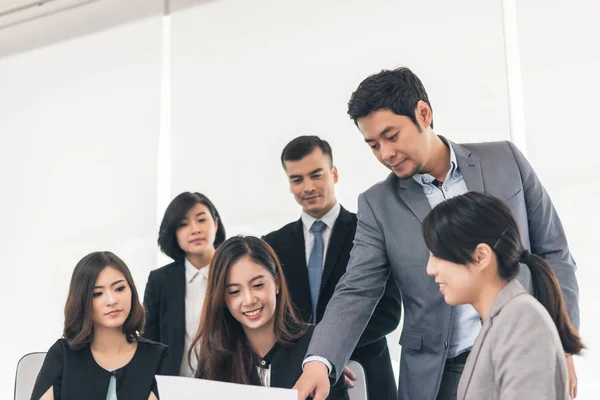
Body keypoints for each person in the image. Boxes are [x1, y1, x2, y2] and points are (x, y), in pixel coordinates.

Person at [294, 67, 580, 400]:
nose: (385, 154)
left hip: (521, 349)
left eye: (391, 136)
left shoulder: (506, 160)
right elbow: (357, 290)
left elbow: (554, 252)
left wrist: (563, 343)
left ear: (423, 114)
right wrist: (318, 361)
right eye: (372, 145)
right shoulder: (377, 205)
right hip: (439, 373)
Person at [263, 135, 401, 399]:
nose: (307, 187)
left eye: (316, 175)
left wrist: (331, 350)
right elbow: (275, 317)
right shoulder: (272, 244)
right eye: (297, 179)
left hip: (364, 372)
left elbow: (389, 312)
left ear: (334, 173)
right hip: (297, 374)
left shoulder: (371, 231)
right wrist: (313, 355)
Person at [422, 191, 584, 399]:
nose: (430, 269)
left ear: (481, 256)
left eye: (437, 255)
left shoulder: (522, 323)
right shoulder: (502, 320)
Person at [189, 236, 348, 399]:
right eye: (234, 292)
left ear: (277, 282)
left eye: (257, 285)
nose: (249, 300)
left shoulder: (318, 348)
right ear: (222, 299)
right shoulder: (216, 354)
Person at [31, 251, 168, 400]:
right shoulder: (62, 354)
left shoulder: (158, 357)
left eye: (119, 288)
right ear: (82, 301)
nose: (111, 300)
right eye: (97, 294)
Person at [143, 192, 226, 376]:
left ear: (216, 224)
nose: (195, 229)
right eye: (183, 224)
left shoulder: (233, 273)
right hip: (174, 387)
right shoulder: (160, 281)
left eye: (201, 220)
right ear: (174, 233)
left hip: (230, 384)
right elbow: (148, 342)